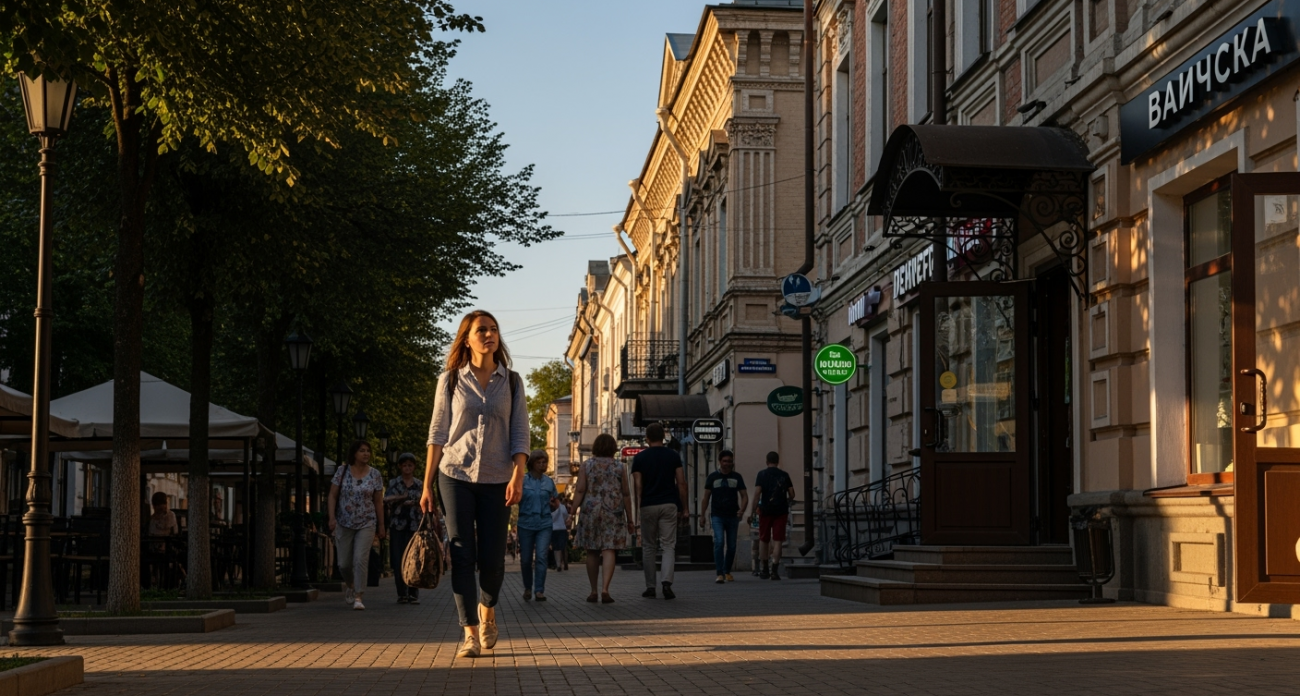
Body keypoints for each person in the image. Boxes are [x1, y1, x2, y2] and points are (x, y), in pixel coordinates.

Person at [421, 310, 528, 659]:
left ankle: (487, 611)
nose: (489, 334)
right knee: (463, 553)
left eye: (493, 329)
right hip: (455, 475)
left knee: (494, 559)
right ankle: (469, 633)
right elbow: (437, 434)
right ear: (467, 338)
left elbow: (520, 434)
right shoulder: (451, 380)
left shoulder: (511, 382)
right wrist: (426, 486)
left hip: (498, 478)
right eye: (481, 330)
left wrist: (518, 475)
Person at [571, 433, 635, 603]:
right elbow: (626, 494)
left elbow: (580, 490)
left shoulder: (587, 465)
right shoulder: (620, 467)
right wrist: (630, 519)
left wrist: (571, 512)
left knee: (592, 551)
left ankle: (593, 591)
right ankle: (605, 589)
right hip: (612, 513)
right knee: (609, 549)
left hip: (591, 511)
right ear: (613, 448)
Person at [328, 439, 387, 610]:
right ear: (354, 453)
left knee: (360, 558)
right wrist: (332, 517)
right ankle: (351, 585)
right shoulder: (342, 471)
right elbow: (332, 495)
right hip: (344, 522)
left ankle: (359, 597)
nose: (366, 453)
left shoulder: (375, 474)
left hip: (366, 522)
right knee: (343, 564)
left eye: (368, 451)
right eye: (362, 450)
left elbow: (378, 502)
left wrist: (381, 525)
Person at [631, 422, 687, 599]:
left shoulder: (639, 458)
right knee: (668, 545)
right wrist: (685, 508)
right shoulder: (673, 456)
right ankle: (666, 583)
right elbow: (681, 483)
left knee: (649, 546)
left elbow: (638, 485)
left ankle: (650, 586)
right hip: (669, 504)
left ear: (647, 438)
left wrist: (637, 508)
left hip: (648, 504)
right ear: (663, 437)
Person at [699, 450, 748, 583]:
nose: (727, 464)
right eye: (725, 461)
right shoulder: (712, 477)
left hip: (733, 516)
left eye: (730, 461)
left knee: (732, 546)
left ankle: (727, 571)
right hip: (717, 515)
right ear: (720, 462)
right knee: (719, 541)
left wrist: (742, 510)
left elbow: (744, 496)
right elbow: (706, 497)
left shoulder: (737, 477)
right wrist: (702, 515)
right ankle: (719, 572)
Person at [517, 450, 558, 601]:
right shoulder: (522, 480)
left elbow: (556, 502)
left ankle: (539, 590)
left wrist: (554, 504)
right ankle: (528, 588)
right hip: (526, 523)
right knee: (526, 559)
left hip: (544, 523)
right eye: (539, 462)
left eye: (544, 462)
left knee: (541, 557)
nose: (542, 465)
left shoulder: (549, 482)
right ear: (532, 464)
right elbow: (515, 498)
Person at [384, 452, 424, 605]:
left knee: (415, 559)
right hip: (398, 525)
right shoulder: (395, 483)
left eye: (410, 465)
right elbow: (386, 499)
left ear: (414, 467)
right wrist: (401, 498)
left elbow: (423, 501)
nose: (407, 468)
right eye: (405, 465)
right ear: (400, 466)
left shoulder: (419, 484)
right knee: (398, 559)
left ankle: (414, 593)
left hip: (415, 525)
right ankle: (402, 593)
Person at [749, 451, 795, 580]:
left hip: (765, 510)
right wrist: (786, 499)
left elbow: (757, 493)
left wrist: (753, 510)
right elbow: (792, 493)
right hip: (781, 510)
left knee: (764, 538)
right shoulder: (784, 475)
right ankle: (775, 569)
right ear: (778, 461)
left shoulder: (762, 474)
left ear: (766, 461)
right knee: (778, 540)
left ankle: (764, 569)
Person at [550, 494, 570, 571]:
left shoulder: (551, 508)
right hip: (561, 528)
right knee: (562, 547)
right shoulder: (561, 507)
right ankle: (564, 563)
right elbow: (565, 515)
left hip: (554, 529)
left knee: (556, 547)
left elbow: (551, 518)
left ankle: (559, 564)